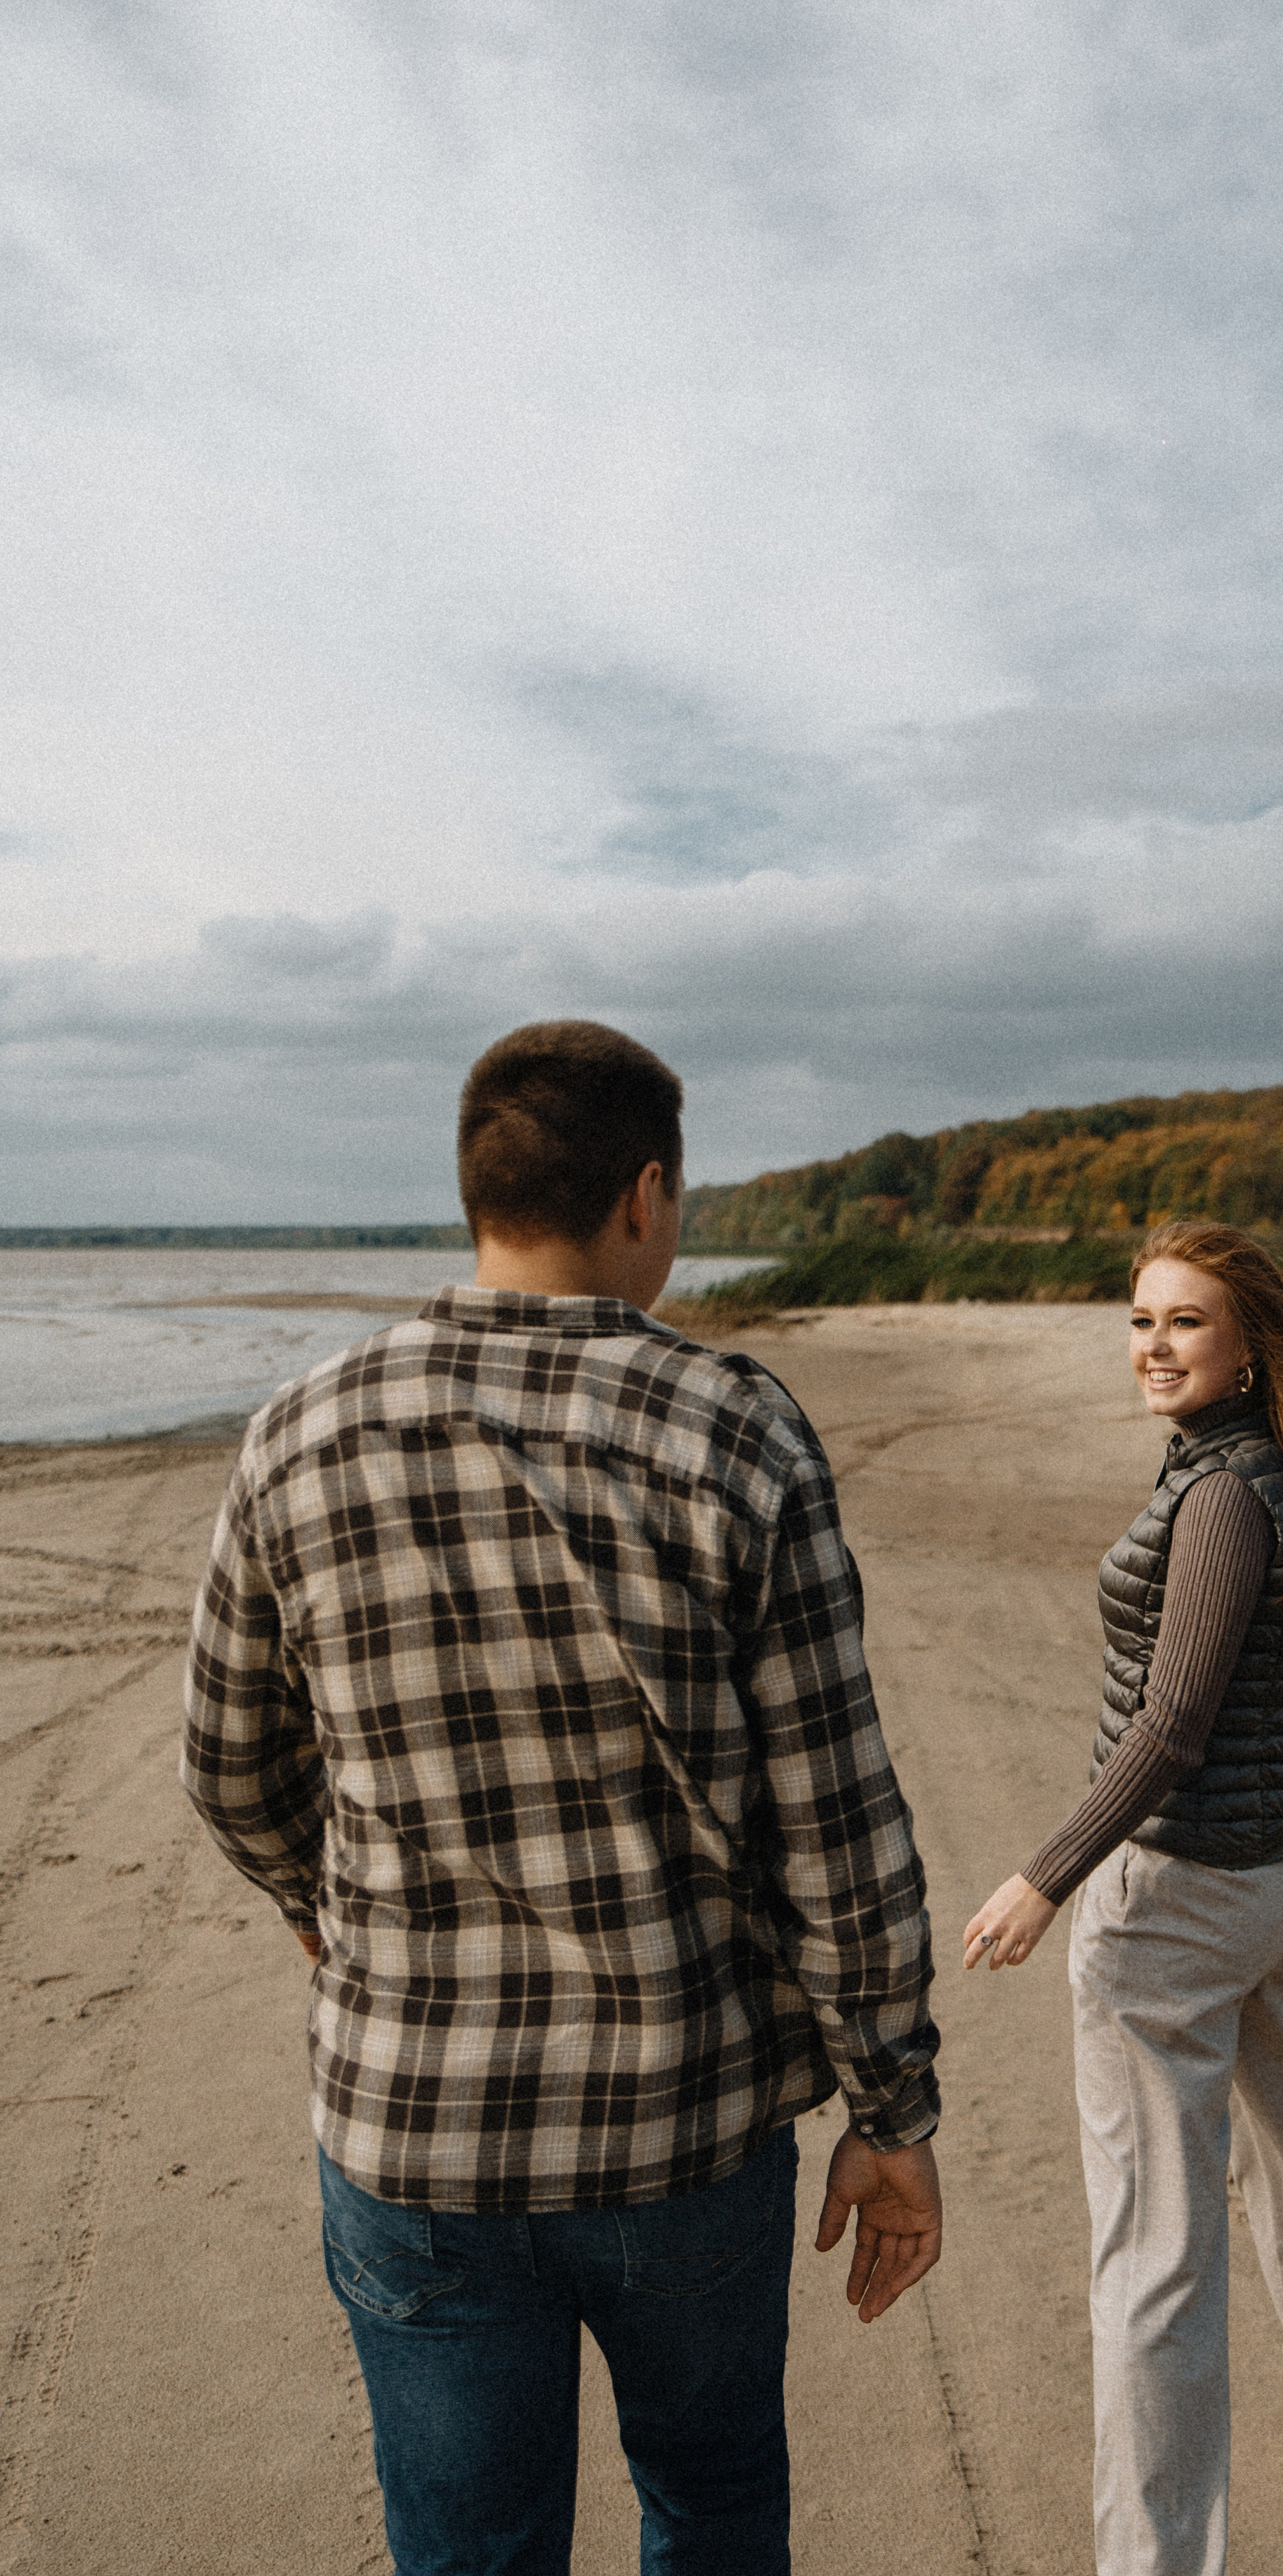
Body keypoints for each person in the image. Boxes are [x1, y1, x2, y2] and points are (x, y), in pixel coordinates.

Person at [180, 1019, 942, 2576]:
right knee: (712, 2505)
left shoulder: (299, 1430)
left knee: (469, 2550)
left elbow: (230, 1768)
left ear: (476, 1191)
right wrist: (892, 2104)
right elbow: (836, 1829)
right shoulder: (734, 1427)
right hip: (685, 2123)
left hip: (415, 2125)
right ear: (645, 1194)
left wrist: (337, 1925)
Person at [964, 1217, 1283, 2576]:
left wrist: (1046, 1876)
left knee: (1155, 2256)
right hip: (1281, 1885)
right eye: (1141, 1321)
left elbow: (1172, 1725)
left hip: (1182, 1900)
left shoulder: (1219, 1496)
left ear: (1248, 1345)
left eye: (1184, 1322)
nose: (1153, 1347)